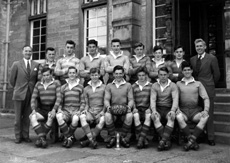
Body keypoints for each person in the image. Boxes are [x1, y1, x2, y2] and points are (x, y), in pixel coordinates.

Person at [190, 38, 220, 146]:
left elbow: (216, 75)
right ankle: (201, 135)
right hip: (196, 90)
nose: (199, 48)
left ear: (205, 47)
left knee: (209, 113)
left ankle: (210, 137)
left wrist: (210, 84)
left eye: (200, 46)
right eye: (197, 46)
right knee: (199, 113)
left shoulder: (212, 58)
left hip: (208, 88)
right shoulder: (193, 59)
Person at [9, 45, 40, 143]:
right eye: (26, 51)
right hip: (19, 94)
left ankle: (25, 135)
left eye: (30, 51)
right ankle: (18, 136)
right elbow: (11, 80)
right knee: (18, 118)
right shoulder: (16, 64)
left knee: (27, 116)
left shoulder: (36, 65)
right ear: (22, 52)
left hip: (31, 94)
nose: (28, 53)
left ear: (32, 53)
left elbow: (37, 79)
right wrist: (18, 88)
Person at [176, 62, 210, 151]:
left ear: (192, 71)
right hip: (183, 110)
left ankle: (189, 142)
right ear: (182, 72)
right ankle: (192, 141)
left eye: (188, 70)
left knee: (205, 117)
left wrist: (205, 110)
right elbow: (175, 99)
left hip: (195, 111)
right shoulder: (178, 84)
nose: (187, 72)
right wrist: (177, 109)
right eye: (185, 70)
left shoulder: (198, 83)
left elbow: (206, 98)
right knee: (178, 117)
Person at [30, 67, 61, 148]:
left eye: (48, 75)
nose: (46, 77)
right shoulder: (38, 84)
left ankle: (41, 139)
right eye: (44, 75)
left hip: (52, 108)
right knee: (33, 117)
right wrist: (33, 109)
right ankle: (42, 138)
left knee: (50, 117)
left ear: (51, 75)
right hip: (42, 109)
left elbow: (59, 98)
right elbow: (33, 98)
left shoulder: (56, 83)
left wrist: (54, 110)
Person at [104, 65, 134, 148]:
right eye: (116, 73)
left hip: (124, 108)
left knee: (130, 116)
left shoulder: (128, 85)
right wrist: (108, 107)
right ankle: (113, 137)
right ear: (113, 74)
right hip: (113, 108)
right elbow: (106, 99)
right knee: (107, 115)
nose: (118, 75)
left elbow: (131, 99)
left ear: (123, 74)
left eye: (120, 73)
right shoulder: (109, 85)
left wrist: (129, 107)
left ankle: (122, 137)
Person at [56, 66, 85, 148]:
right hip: (66, 111)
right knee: (58, 116)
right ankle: (70, 137)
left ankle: (67, 138)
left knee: (76, 118)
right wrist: (59, 109)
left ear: (76, 74)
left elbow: (83, 102)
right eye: (70, 73)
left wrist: (80, 110)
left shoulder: (80, 87)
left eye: (73, 73)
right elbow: (60, 101)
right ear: (67, 74)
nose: (72, 74)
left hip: (76, 110)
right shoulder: (63, 87)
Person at [150, 67, 178, 151]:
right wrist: (154, 110)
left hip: (168, 108)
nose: (163, 77)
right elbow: (153, 99)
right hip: (158, 108)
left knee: (171, 118)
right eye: (161, 75)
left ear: (168, 75)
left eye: (165, 75)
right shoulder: (154, 85)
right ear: (158, 75)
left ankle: (162, 141)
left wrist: (173, 110)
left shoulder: (173, 85)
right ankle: (166, 140)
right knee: (155, 117)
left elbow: (175, 99)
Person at [79, 68, 106, 149]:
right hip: (90, 111)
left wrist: (103, 111)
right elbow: (86, 103)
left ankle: (89, 140)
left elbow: (106, 101)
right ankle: (92, 140)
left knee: (103, 120)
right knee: (82, 117)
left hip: (100, 110)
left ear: (99, 75)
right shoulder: (86, 88)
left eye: (96, 75)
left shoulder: (104, 87)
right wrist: (85, 110)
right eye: (92, 75)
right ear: (90, 76)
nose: (94, 77)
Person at [132, 67, 152, 149]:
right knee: (136, 116)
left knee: (148, 117)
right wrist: (134, 108)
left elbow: (153, 99)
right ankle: (143, 139)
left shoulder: (151, 86)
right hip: (137, 108)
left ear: (146, 76)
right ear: (137, 76)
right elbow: (132, 99)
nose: (141, 77)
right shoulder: (133, 86)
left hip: (147, 108)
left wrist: (150, 108)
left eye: (143, 75)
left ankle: (140, 140)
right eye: (139, 75)